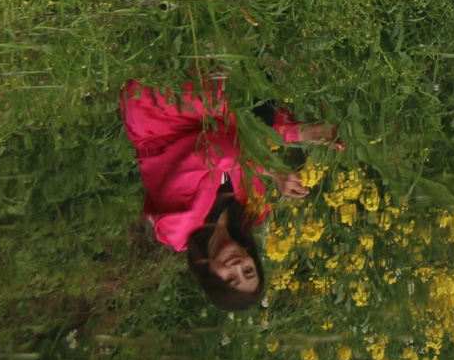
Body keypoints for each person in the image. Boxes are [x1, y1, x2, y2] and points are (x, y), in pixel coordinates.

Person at [119, 78, 339, 311]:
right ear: (252, 258)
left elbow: (209, 148)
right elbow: (242, 139)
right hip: (212, 117)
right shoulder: (252, 211)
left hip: (161, 116)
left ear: (210, 276)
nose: (236, 266)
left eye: (231, 278)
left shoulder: (177, 224)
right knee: (251, 98)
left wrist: (271, 170)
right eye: (247, 270)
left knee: (237, 92)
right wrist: (299, 133)